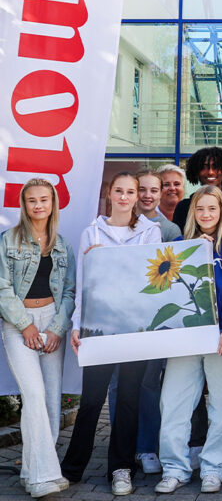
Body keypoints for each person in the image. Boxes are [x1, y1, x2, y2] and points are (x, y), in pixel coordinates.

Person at [61, 172, 162, 495]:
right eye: (119, 190)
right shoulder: (91, 232)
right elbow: (82, 284)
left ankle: (121, 468)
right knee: (91, 400)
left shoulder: (151, 232)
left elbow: (149, 283)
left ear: (137, 197)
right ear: (109, 193)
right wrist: (77, 326)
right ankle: (73, 468)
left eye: (130, 192)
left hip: (134, 327)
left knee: (129, 400)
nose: (124, 197)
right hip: (98, 326)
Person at [154, 186, 222, 494]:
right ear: (192, 212)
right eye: (200, 209)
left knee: (221, 404)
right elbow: (164, 290)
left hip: (220, 336)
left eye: (212, 209)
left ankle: (213, 466)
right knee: (174, 403)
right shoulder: (179, 245)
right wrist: (193, 250)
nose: (206, 215)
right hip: (185, 336)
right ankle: (174, 467)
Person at [0, 178, 75, 498]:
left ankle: (32, 472)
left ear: (53, 203)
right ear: (24, 204)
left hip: (52, 321)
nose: (38, 205)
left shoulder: (62, 244)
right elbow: (2, 288)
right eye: (32, 200)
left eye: (44, 199)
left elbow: (70, 292)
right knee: (32, 393)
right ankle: (45, 477)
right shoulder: (8, 241)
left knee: (50, 399)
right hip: (18, 323)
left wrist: (57, 329)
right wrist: (26, 326)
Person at [120, 170, 182, 475]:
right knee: (119, 384)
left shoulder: (169, 230)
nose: (146, 195)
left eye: (152, 190)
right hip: (119, 320)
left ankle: (146, 447)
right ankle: (122, 447)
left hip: (153, 322)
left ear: (160, 194)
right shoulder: (113, 225)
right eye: (140, 189)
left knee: (148, 384)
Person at [172, 147, 222, 229]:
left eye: (215, 167)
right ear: (196, 172)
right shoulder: (183, 207)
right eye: (204, 167)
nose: (210, 172)